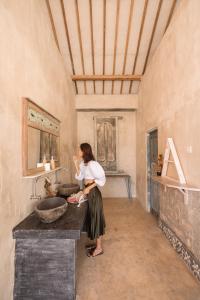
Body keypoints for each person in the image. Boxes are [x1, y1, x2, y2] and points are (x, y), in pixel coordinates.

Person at [73, 143, 106, 257]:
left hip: (94, 194)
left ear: (84, 151)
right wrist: (76, 164)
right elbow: (80, 177)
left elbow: (102, 178)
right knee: (92, 218)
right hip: (88, 192)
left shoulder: (93, 164)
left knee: (96, 219)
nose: (78, 152)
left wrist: (88, 188)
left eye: (79, 150)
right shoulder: (84, 163)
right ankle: (97, 245)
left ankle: (99, 248)